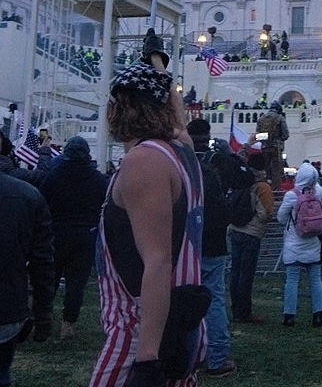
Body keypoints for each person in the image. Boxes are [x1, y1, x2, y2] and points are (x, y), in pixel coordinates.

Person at [88, 30, 206, 387]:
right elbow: (179, 119)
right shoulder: (181, 150)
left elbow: (157, 262)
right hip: (181, 325)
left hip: (140, 331)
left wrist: (147, 361)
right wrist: (158, 64)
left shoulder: (144, 163)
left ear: (123, 107)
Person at [187, 119, 254, 376]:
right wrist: (232, 156)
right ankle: (216, 356)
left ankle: (188, 355)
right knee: (213, 298)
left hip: (185, 238)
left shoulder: (181, 159)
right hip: (214, 237)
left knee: (183, 296)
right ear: (208, 136)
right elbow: (245, 179)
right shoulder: (217, 159)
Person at [39, 135, 108, 341]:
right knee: (76, 282)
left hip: (57, 234)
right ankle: (68, 325)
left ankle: (44, 319)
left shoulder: (53, 176)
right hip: (85, 236)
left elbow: (43, 204)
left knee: (49, 280)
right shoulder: (98, 179)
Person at [0, 162, 55, 387]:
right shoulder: (27, 196)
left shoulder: (28, 196)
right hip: (7, 309)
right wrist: (43, 312)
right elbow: (42, 262)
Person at [276, 162, 322, 327]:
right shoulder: (318, 192)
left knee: (292, 280)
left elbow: (281, 218)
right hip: (313, 242)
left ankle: (289, 315)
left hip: (294, 242)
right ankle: (318, 314)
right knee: (315, 279)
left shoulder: (292, 195)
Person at [228, 152, 274, 326]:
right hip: (251, 233)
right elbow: (266, 213)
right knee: (246, 274)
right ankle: (244, 312)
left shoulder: (240, 180)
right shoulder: (262, 187)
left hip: (234, 229)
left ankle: (235, 310)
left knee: (235, 272)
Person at [255, 102, 289, 187]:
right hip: (276, 147)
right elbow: (285, 134)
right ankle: (276, 189)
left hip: (264, 147)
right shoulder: (280, 118)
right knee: (276, 169)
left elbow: (258, 134)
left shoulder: (261, 118)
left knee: (265, 168)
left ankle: (266, 185)